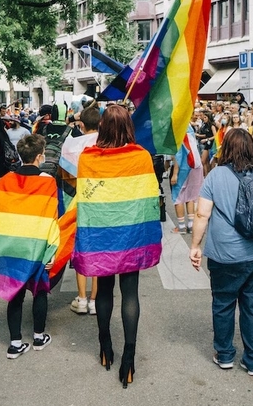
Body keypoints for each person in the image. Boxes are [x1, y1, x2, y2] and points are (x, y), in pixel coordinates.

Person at [72, 104, 162, 388]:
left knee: (105, 289)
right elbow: (150, 200)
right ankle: (129, 358)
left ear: (102, 127)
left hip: (101, 235)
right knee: (130, 293)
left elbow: (84, 198)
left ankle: (104, 346)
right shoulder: (141, 157)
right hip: (131, 236)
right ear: (128, 128)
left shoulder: (88, 158)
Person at [189, 128, 253, 376]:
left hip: (226, 254)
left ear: (226, 149)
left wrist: (195, 246)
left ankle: (224, 355)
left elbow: (202, 214)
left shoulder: (215, 176)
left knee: (223, 303)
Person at [0, 134, 59, 358]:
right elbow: (52, 218)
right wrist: (51, 250)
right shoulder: (48, 182)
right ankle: (38, 337)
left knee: (14, 293)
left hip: (10, 246)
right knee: (39, 291)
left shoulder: (5, 180)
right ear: (39, 156)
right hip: (36, 246)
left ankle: (15, 343)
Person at [59, 106, 100, 315]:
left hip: (77, 203)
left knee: (81, 251)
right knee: (98, 250)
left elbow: (64, 175)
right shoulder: (106, 144)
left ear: (81, 124)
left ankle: (82, 298)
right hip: (100, 204)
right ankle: (95, 301)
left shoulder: (70, 144)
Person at [170, 124, 204, 233]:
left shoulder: (178, 132)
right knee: (191, 195)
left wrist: (174, 174)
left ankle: (181, 227)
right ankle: (190, 225)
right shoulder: (190, 130)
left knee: (178, 196)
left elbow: (178, 156)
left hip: (184, 168)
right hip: (196, 167)